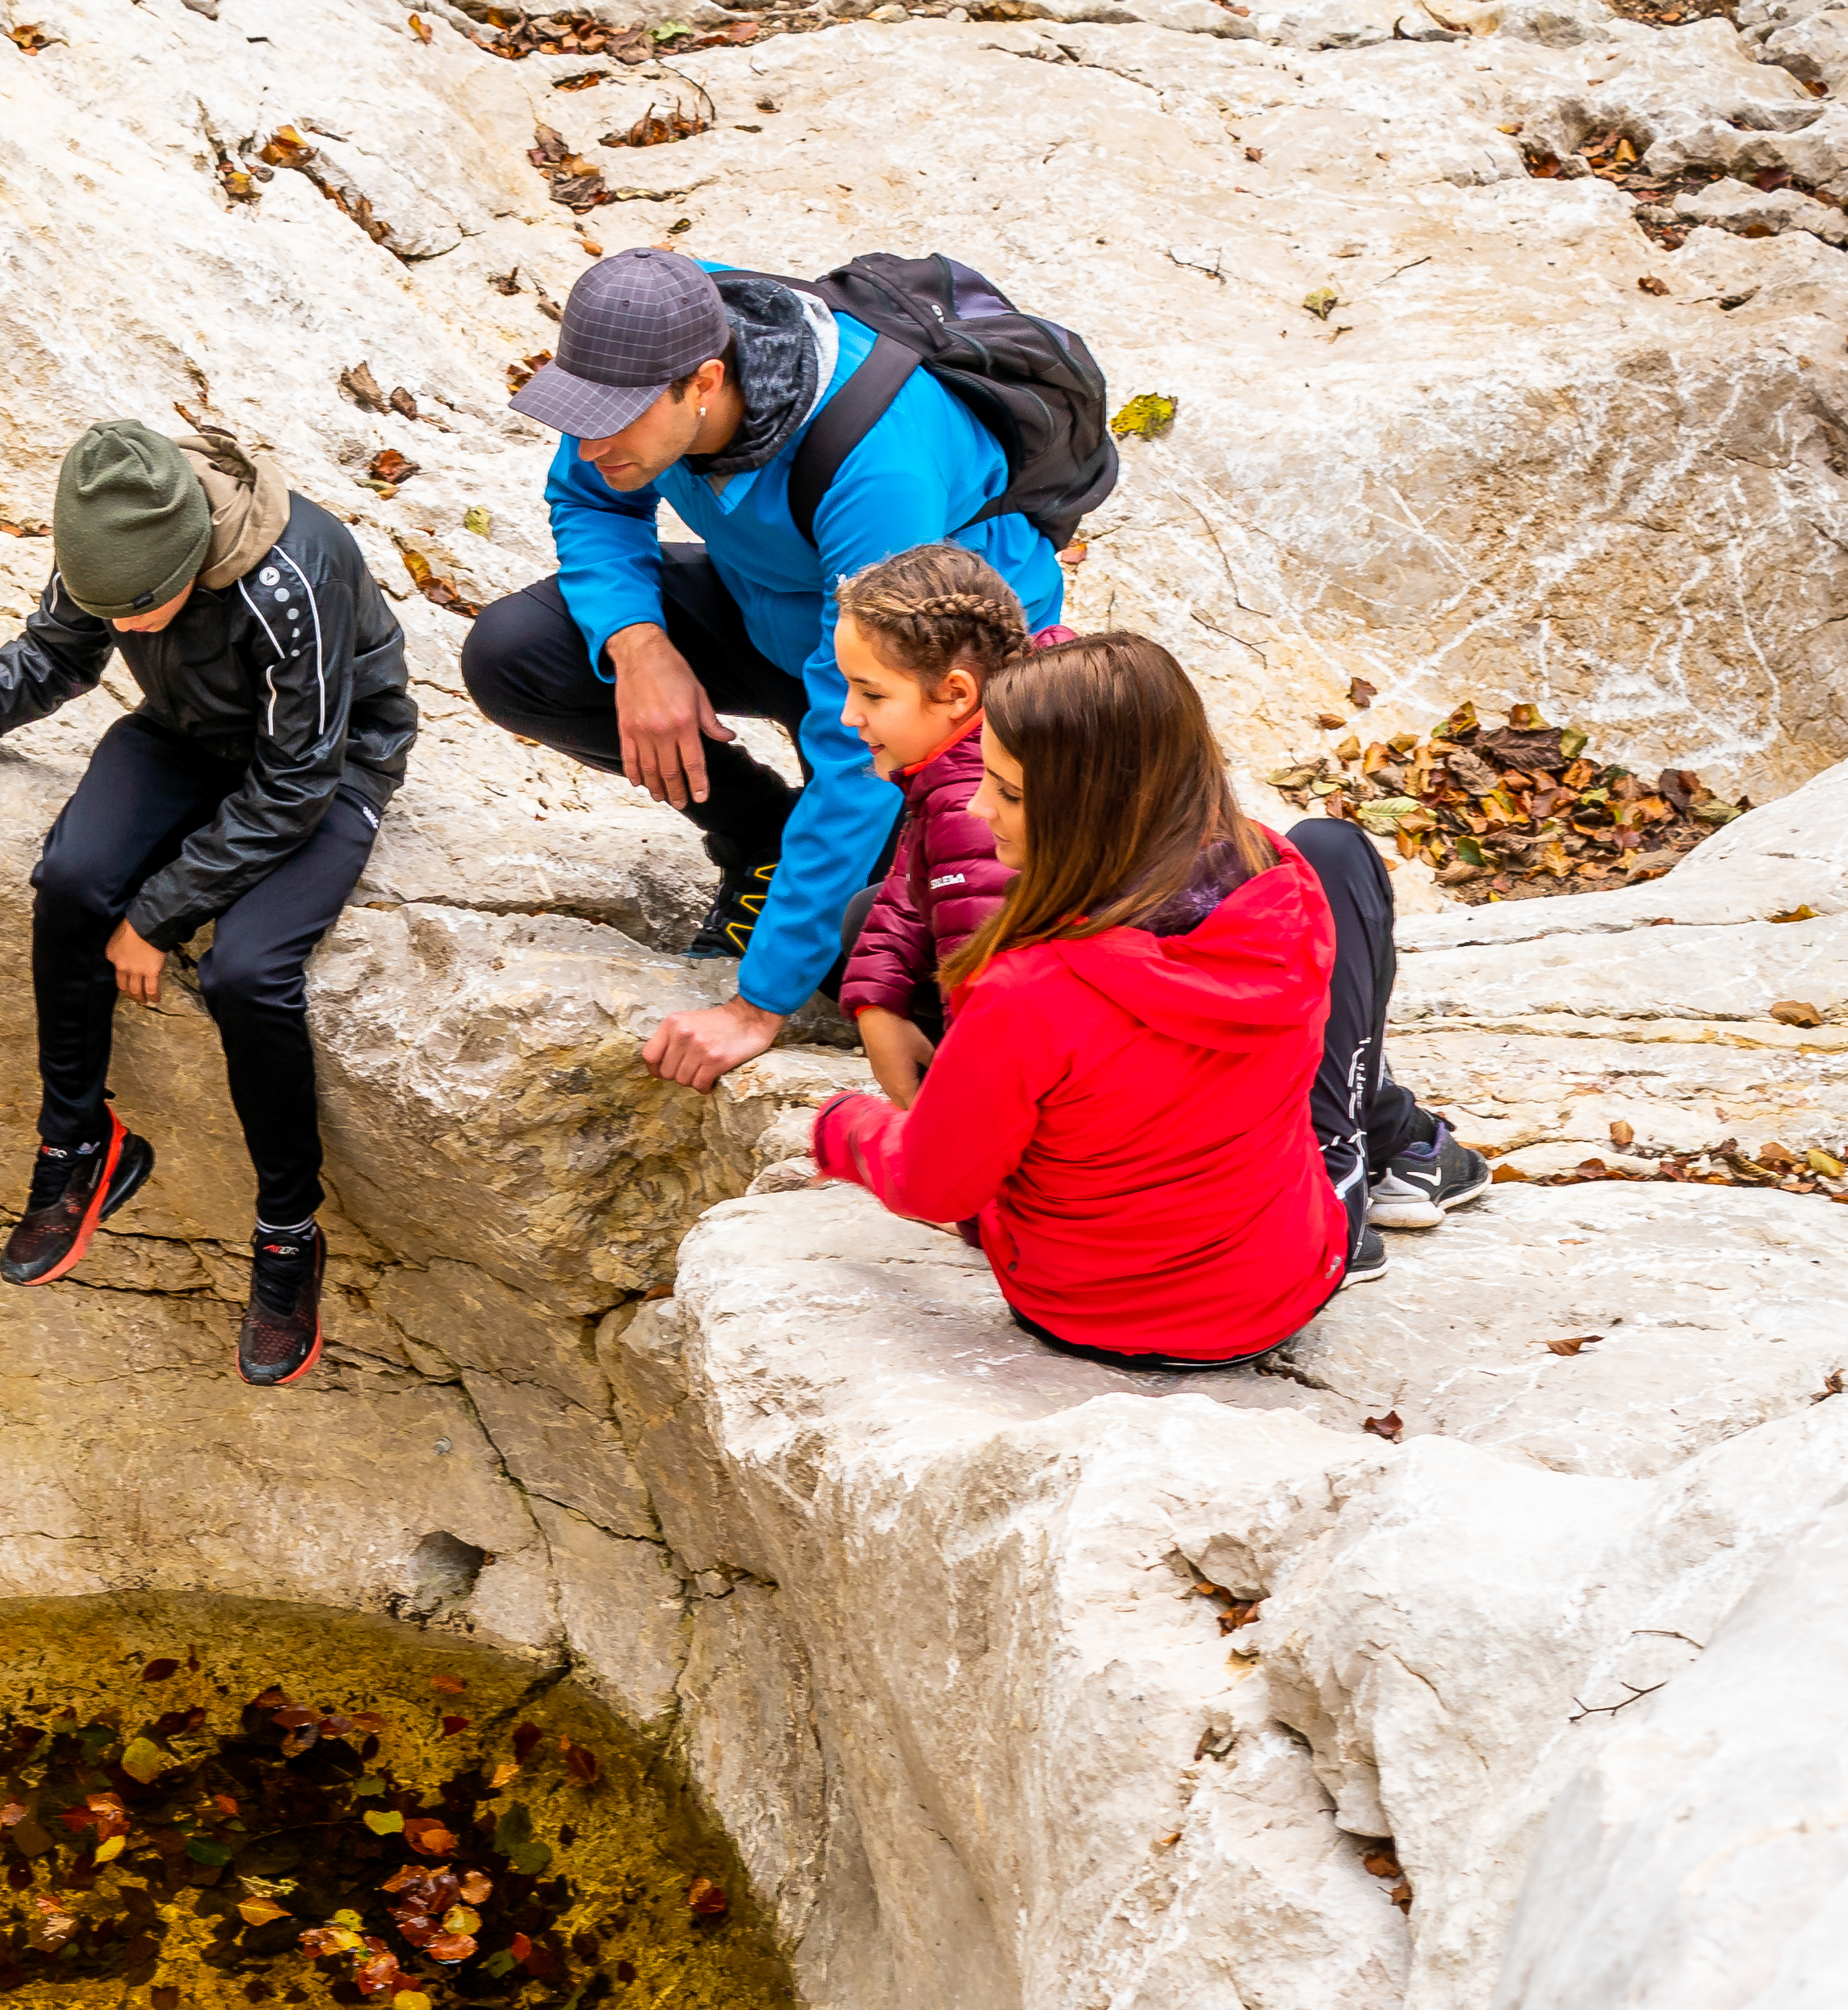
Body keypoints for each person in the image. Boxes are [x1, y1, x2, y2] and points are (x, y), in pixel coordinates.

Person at [0, 417, 415, 1388]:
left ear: (193, 547)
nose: (131, 627)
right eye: (117, 610)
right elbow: (56, 657)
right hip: (188, 733)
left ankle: (286, 1232)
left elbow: (292, 784)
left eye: (147, 608)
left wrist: (157, 914)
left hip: (325, 768)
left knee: (246, 972)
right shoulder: (106, 548)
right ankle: (79, 1141)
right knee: (70, 880)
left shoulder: (295, 577)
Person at [460, 246, 1064, 1091]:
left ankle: (803, 891)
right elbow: (590, 498)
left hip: (923, 677)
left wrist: (755, 1004)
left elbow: (857, 745)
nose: (588, 443)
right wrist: (638, 645)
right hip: (777, 609)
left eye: (614, 421)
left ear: (703, 382)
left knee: (856, 953)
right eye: (579, 412)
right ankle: (759, 836)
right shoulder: (641, 352)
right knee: (516, 657)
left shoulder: (876, 460)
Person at [806, 627, 1488, 1372]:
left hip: (1089, 1314)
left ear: (1087, 807)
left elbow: (934, 1183)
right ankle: (1388, 1137)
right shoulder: (1282, 887)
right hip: (1287, 1290)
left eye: (1007, 791)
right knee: (1338, 847)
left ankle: (1375, 1140)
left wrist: (844, 1126)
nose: (974, 807)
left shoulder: (1027, 987)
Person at [828, 542, 1035, 1109]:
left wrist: (954, 1141)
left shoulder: (974, 801)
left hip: (1070, 1053)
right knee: (868, 913)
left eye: (871, 693)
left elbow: (988, 998)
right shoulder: (983, 741)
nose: (850, 714)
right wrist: (875, 1003)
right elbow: (911, 882)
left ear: (956, 693)